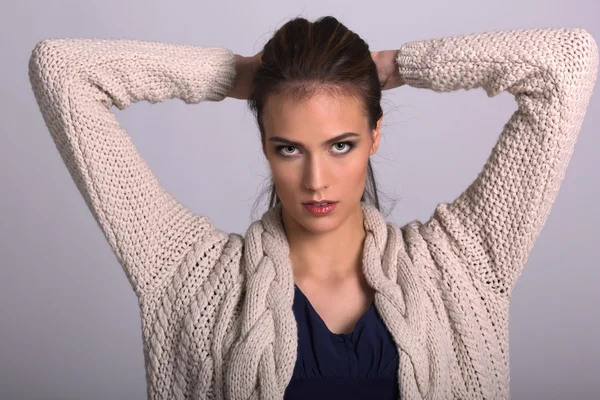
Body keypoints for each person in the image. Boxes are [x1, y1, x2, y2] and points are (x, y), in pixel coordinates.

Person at [28, 16, 598, 400]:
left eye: (340, 144)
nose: (316, 179)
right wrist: (240, 77)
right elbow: (61, 71)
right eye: (289, 148)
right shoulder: (186, 275)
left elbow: (566, 64)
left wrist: (394, 67)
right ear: (265, 146)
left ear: (375, 136)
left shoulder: (463, 265)